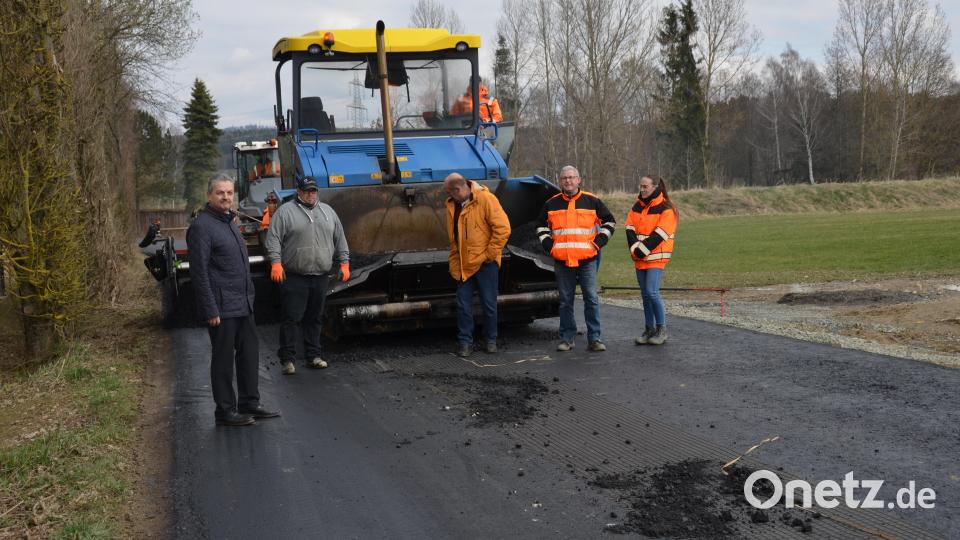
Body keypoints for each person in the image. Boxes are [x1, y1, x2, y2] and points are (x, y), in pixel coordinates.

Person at [186, 175, 280, 426]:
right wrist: (210, 308)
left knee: (249, 354)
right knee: (223, 359)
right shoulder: (202, 227)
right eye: (220, 193)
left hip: (242, 303)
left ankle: (249, 402)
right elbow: (199, 272)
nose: (226, 197)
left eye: (229, 193)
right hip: (221, 307)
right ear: (209, 196)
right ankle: (225, 411)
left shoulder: (229, 222)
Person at [264, 176, 350, 375]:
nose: (310, 194)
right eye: (307, 191)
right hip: (294, 275)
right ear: (298, 191)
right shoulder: (285, 212)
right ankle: (288, 359)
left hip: (320, 275)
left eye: (313, 191)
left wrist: (344, 262)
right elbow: (273, 239)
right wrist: (276, 262)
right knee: (292, 318)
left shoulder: (328, 212)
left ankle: (314, 356)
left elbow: (340, 239)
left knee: (315, 317)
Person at [536, 165, 616, 352]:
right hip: (562, 261)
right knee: (565, 301)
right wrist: (549, 246)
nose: (568, 181)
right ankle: (567, 338)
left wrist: (598, 243)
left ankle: (595, 338)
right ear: (560, 181)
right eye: (564, 178)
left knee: (591, 299)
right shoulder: (551, 203)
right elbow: (540, 226)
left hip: (587, 260)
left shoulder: (592, 201)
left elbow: (610, 221)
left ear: (579, 180)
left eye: (571, 177)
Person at [444, 173, 511, 357]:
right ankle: (465, 342)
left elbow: (503, 228)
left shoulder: (486, 199)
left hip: (485, 264)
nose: (448, 196)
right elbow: (454, 239)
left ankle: (491, 340)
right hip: (463, 264)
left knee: (489, 304)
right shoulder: (452, 205)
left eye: (449, 192)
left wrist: (489, 255)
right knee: (463, 305)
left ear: (457, 189)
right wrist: (454, 261)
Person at [626, 175, 679, 346]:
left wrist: (640, 250)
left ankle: (662, 330)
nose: (642, 189)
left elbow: (660, 234)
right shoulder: (637, 206)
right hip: (640, 258)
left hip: (656, 258)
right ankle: (649, 329)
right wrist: (636, 249)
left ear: (655, 187)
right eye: (640, 186)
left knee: (652, 292)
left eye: (645, 186)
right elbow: (630, 228)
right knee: (645, 295)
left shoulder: (666, 208)